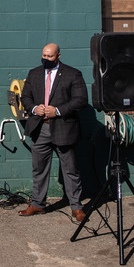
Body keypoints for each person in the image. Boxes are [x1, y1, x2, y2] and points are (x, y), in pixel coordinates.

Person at [18, 43, 87, 221]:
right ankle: (38, 204)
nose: (46, 59)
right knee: (39, 168)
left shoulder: (73, 74)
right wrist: (34, 108)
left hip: (63, 127)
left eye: (50, 56)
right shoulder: (34, 74)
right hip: (40, 128)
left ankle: (76, 206)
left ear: (58, 56)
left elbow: (81, 100)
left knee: (70, 169)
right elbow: (25, 97)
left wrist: (57, 110)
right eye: (44, 56)